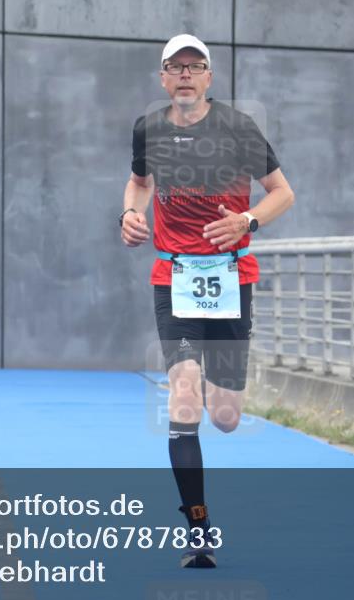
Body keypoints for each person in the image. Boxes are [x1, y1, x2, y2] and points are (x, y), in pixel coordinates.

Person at [121, 34, 295, 568]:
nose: (186, 76)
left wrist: (247, 220)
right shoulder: (148, 128)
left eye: (196, 67)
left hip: (230, 279)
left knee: (224, 417)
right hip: (173, 278)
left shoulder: (239, 128)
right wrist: (130, 213)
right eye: (176, 68)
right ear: (163, 78)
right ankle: (198, 529)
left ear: (209, 78)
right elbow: (137, 182)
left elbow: (282, 192)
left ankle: (200, 517)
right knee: (184, 396)